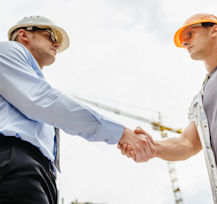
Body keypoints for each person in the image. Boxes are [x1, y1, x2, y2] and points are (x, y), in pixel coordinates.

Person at [0, 16, 155, 204]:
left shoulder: (28, 79)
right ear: (24, 35)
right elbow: (43, 101)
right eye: (50, 35)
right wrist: (121, 133)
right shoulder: (8, 51)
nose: (56, 43)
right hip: (13, 159)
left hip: (35, 169)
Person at [119, 13, 217, 204]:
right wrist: (151, 147)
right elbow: (187, 143)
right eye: (183, 39)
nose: (185, 42)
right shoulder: (200, 101)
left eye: (190, 33)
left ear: (215, 30)